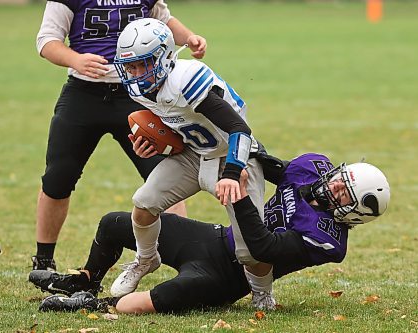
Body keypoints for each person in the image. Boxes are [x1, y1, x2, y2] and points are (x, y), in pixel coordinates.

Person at [30, 153, 391, 314]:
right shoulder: (312, 168)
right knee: (114, 223)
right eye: (340, 180)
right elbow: (269, 165)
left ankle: (92, 306)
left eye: (344, 194)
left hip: (229, 276)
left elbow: (261, 247)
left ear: (355, 213)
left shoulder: (326, 239)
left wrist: (240, 196)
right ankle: (86, 280)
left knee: (142, 303)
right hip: (213, 238)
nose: (333, 188)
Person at [32, 0, 207, 272]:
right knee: (58, 176)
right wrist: (75, 59)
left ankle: (186, 259)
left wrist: (189, 37)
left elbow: (163, 21)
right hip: (83, 93)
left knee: (167, 175)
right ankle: (43, 259)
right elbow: (46, 41)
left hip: (136, 94)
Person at [107, 17, 271, 305]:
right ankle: (146, 259)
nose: (134, 73)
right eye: (129, 66)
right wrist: (152, 145)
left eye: (142, 64)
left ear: (165, 57)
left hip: (235, 155)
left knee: (250, 248)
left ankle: (262, 293)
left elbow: (240, 130)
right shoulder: (139, 88)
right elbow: (177, 128)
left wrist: (233, 172)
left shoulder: (187, 79)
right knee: (144, 203)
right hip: (195, 155)